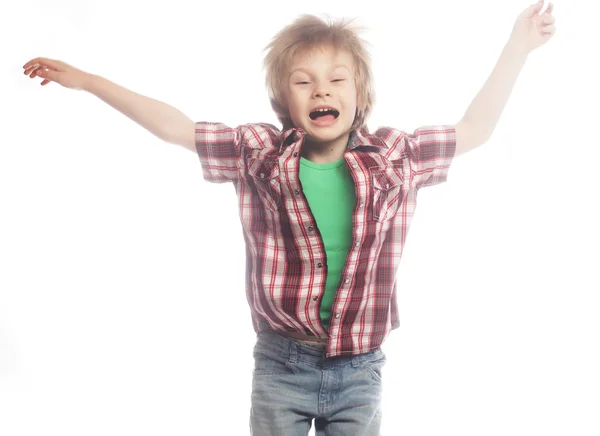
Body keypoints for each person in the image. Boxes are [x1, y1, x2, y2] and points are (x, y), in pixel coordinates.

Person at [22, 2, 556, 435]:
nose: (322, 89)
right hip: (282, 365)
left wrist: (518, 48)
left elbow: (475, 129)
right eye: (304, 82)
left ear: (359, 95)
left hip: (360, 367)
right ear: (284, 99)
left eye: (337, 79)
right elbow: (176, 127)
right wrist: (90, 81)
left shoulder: (396, 156)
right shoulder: (259, 154)